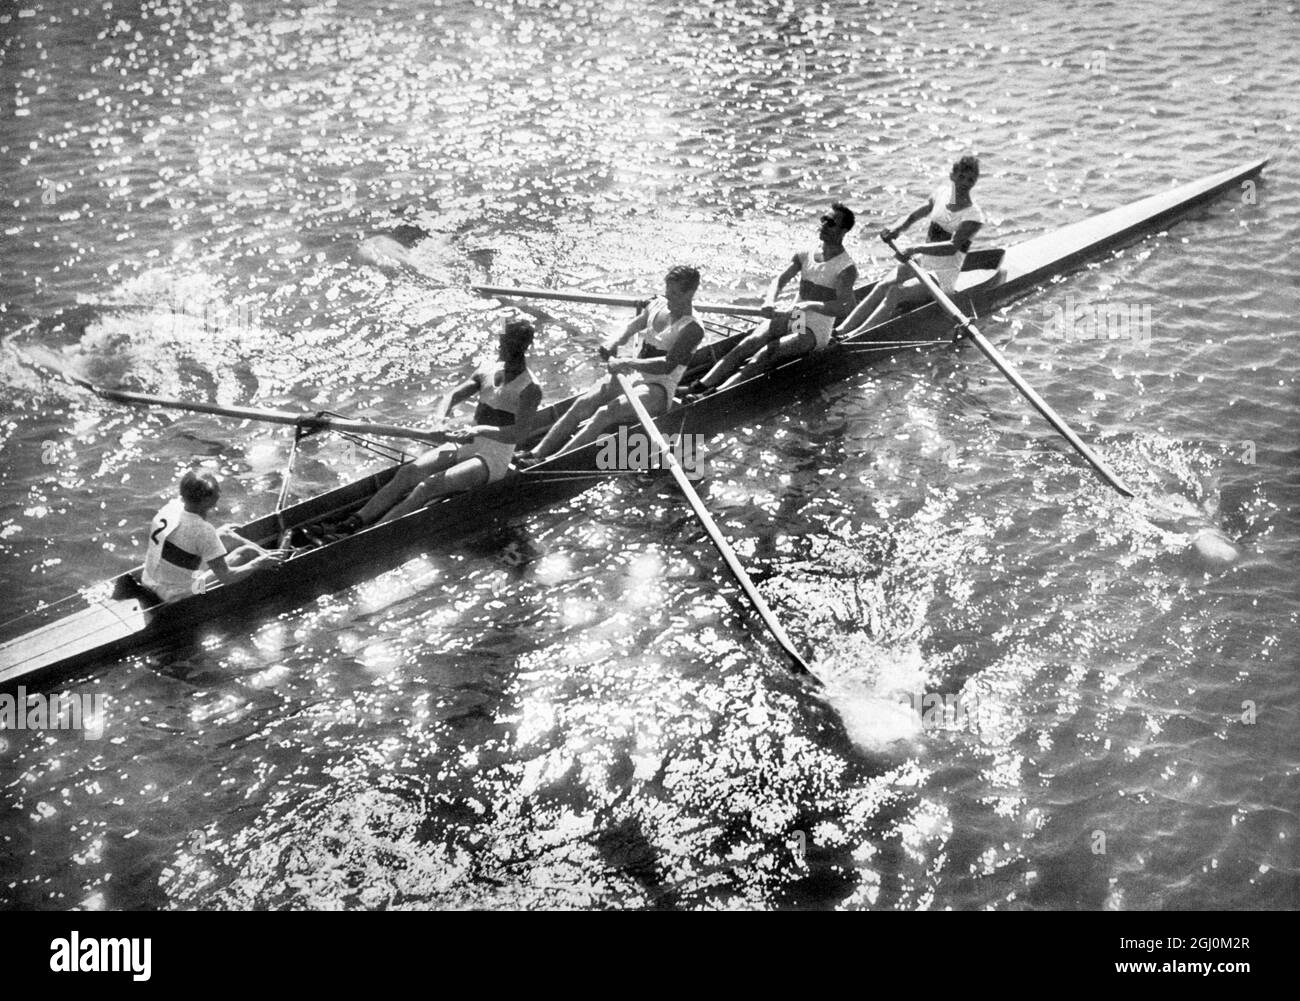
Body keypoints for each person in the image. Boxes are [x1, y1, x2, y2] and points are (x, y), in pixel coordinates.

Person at [323, 318, 543, 535]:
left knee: (428, 486)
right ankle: (352, 523)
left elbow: (519, 433)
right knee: (408, 472)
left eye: (507, 342)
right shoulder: (487, 368)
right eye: (501, 340)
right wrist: (439, 422)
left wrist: (478, 430)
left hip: (493, 457)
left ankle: (371, 534)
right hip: (466, 443)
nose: (500, 345)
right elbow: (452, 396)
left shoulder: (530, 388)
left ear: (523, 346)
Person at [519, 264, 705, 462]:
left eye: (675, 294)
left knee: (604, 413)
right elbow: (631, 326)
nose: (669, 299)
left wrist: (626, 361)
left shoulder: (692, 328)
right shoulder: (658, 305)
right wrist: (614, 340)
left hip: (659, 387)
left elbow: (667, 365)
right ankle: (536, 453)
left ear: (690, 293)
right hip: (633, 374)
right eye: (668, 292)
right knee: (582, 404)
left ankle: (551, 462)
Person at [678, 204, 858, 396]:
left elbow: (845, 308)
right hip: (796, 317)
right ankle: (699, 386)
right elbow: (780, 280)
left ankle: (715, 394)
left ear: (843, 231)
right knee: (749, 343)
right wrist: (769, 301)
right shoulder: (806, 252)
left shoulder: (845, 268)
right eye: (823, 219)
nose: (823, 225)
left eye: (830, 222)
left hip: (815, 330)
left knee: (766, 353)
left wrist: (809, 305)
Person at [837, 154, 985, 336]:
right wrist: (896, 229)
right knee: (883, 285)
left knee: (895, 292)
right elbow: (913, 217)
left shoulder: (974, 216)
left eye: (970, 180)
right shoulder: (941, 194)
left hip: (943, 274)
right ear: (952, 175)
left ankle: (854, 336)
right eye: (961, 177)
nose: (965, 183)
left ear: (975, 182)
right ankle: (841, 329)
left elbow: (953, 246)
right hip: (923, 262)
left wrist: (914, 248)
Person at [141, 470, 286, 602]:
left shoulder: (171, 508)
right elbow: (227, 577)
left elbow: (186, 537)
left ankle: (275, 558)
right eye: (217, 490)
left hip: (149, 579)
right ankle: (280, 564)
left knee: (225, 534)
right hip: (179, 594)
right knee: (248, 552)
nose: (220, 493)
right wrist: (257, 563)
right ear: (205, 501)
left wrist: (215, 538)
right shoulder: (203, 531)